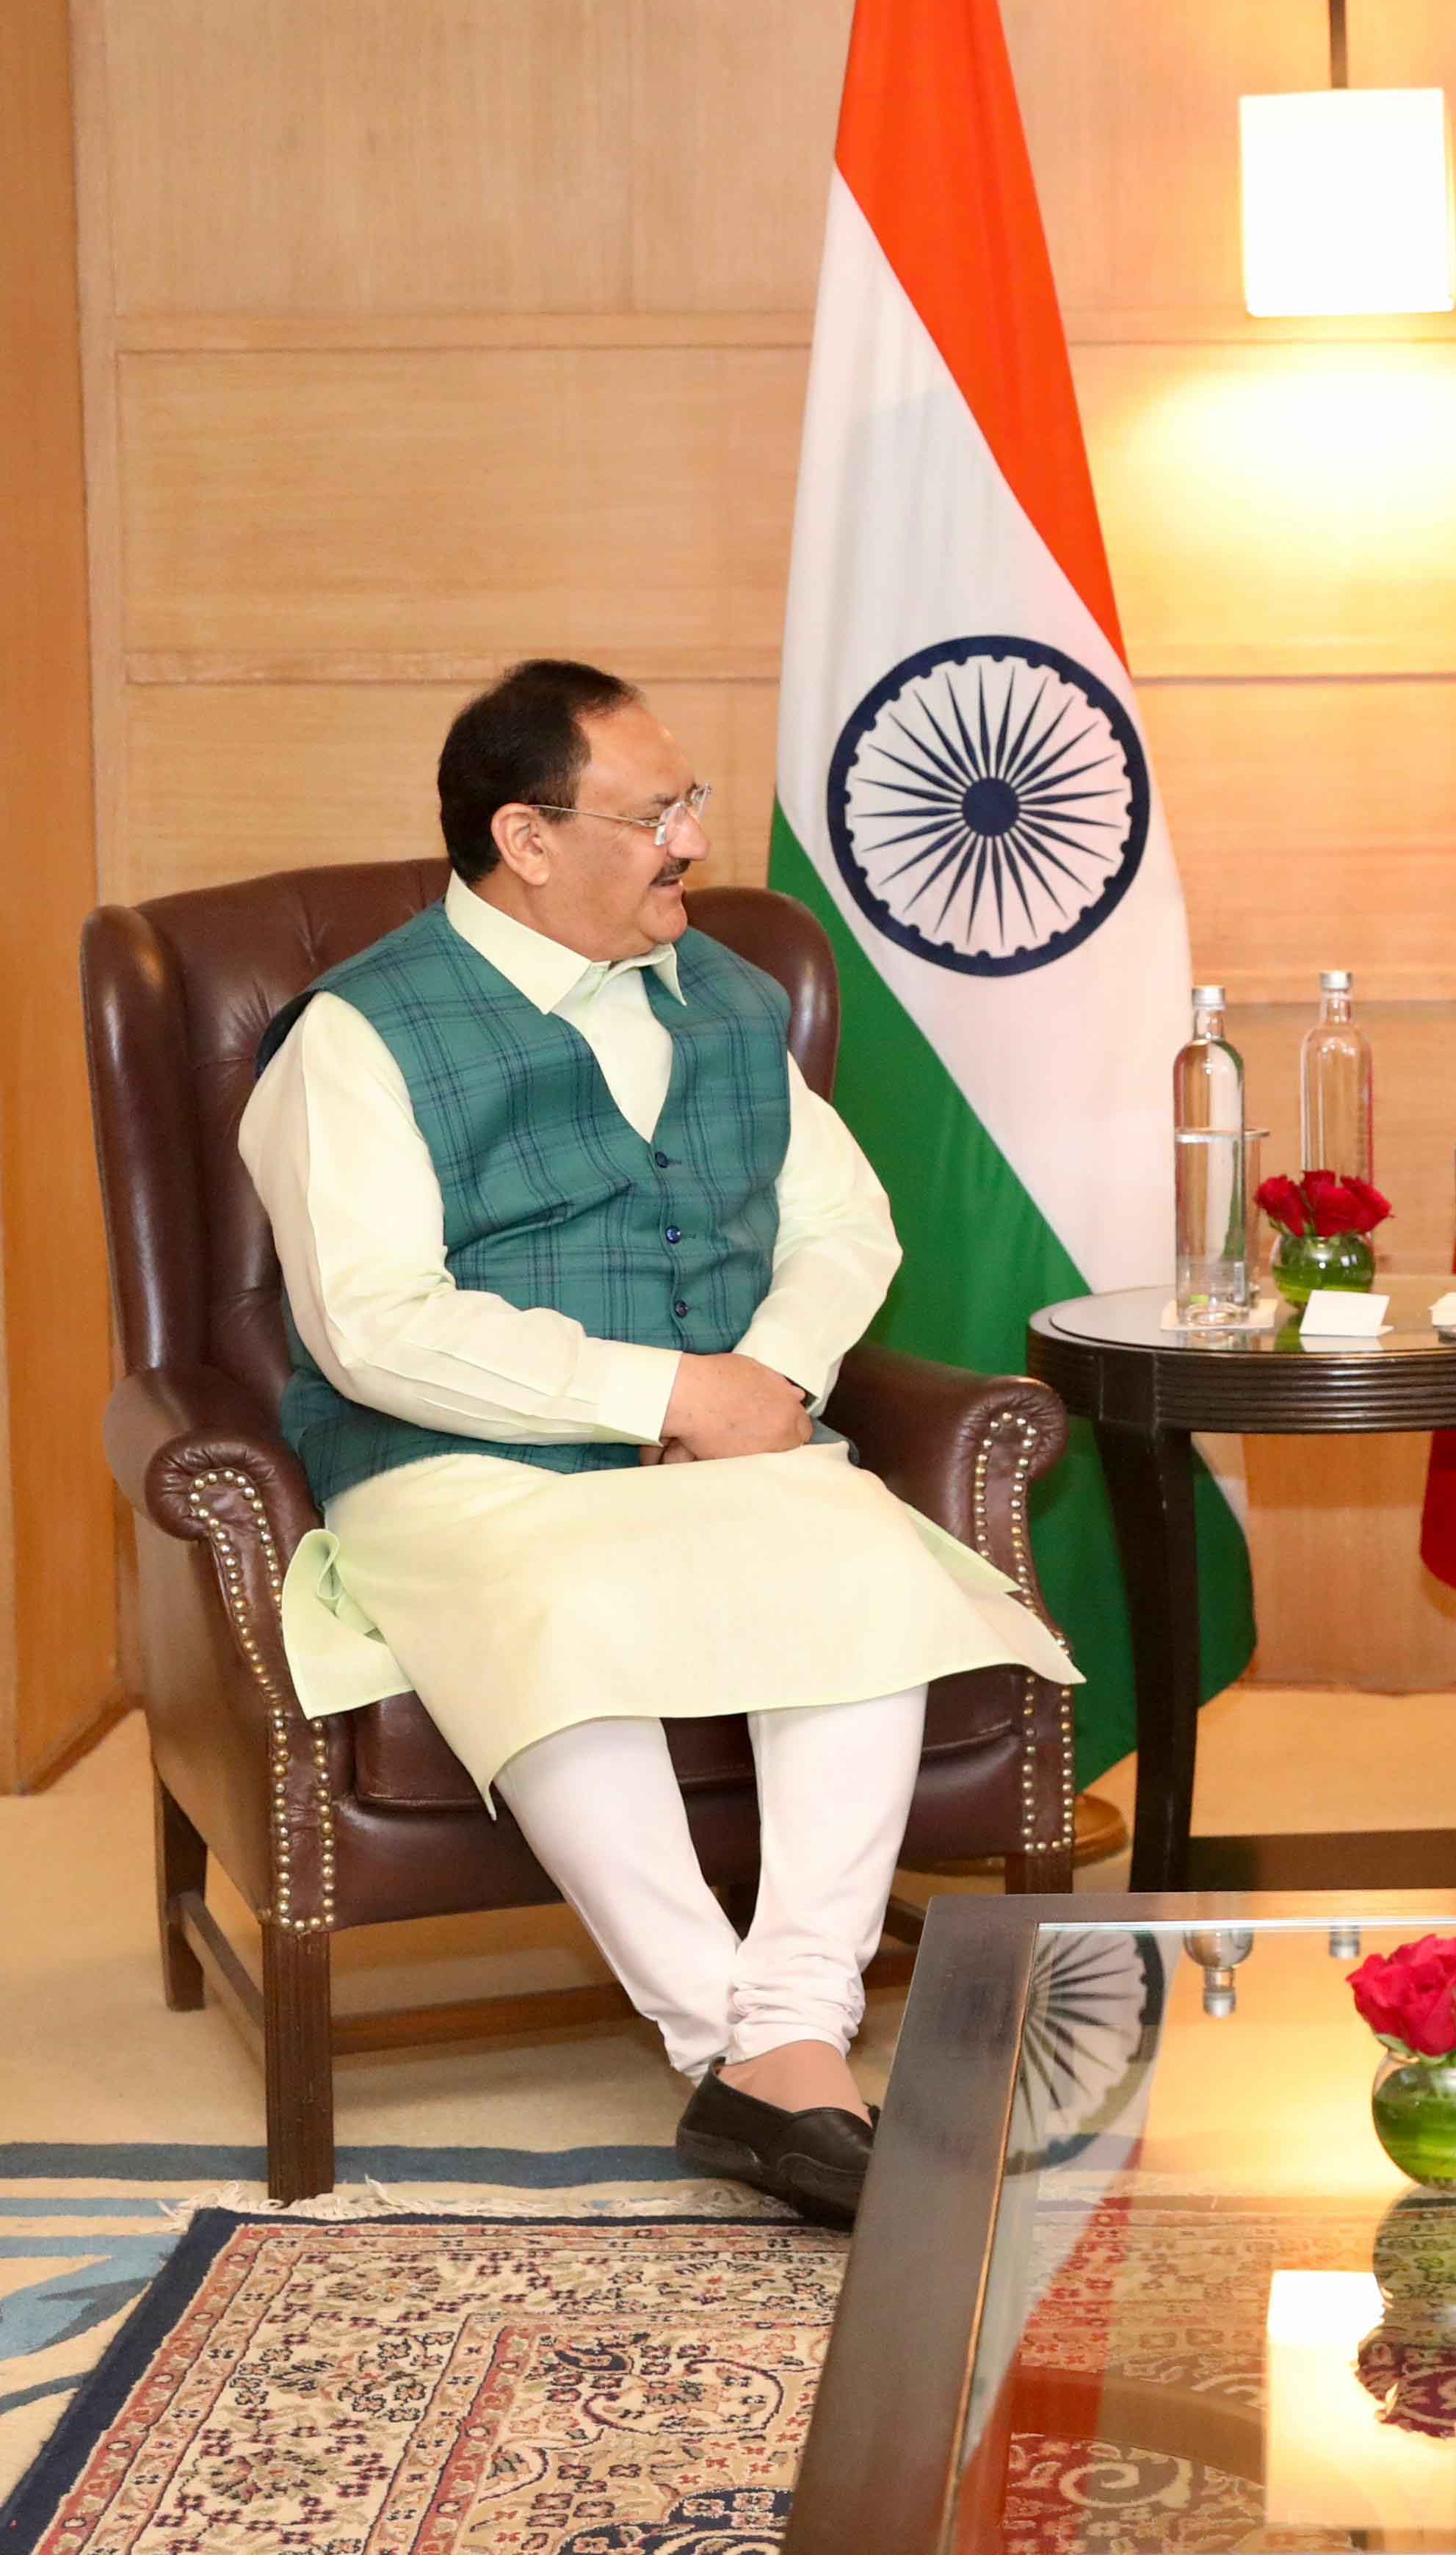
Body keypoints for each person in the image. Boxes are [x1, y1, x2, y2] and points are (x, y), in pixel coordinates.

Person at [238, 658, 1078, 2224]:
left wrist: (759, 1376)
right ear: (529, 837)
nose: (693, 841)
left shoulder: (729, 997)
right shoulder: (355, 1035)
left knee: (857, 1568)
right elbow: (374, 1321)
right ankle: (752, 2056)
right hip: (457, 1460)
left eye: (687, 802)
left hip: (728, 1433)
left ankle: (789, 2046)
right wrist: (662, 1395)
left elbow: (844, 1223)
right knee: (563, 1617)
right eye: (657, 813)